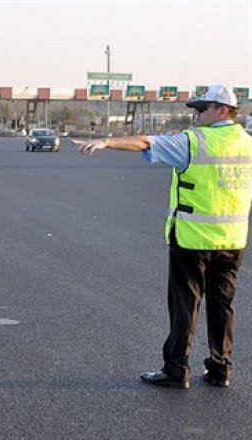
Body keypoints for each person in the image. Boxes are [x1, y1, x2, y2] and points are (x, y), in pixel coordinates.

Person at [73, 85, 252, 390]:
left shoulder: (194, 142)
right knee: (222, 306)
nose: (196, 115)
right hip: (232, 240)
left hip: (192, 240)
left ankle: (176, 369)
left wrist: (107, 141)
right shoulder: (247, 144)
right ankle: (221, 369)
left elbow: (146, 142)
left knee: (185, 305)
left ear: (223, 111)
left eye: (202, 109)